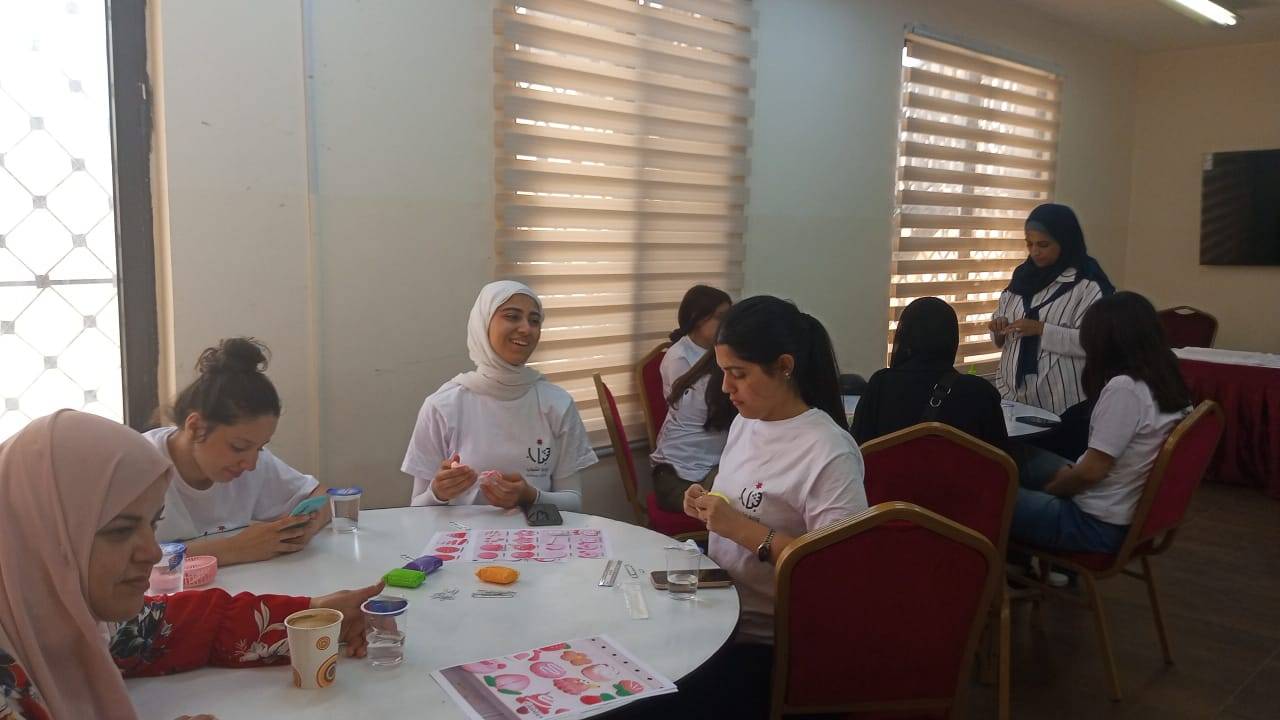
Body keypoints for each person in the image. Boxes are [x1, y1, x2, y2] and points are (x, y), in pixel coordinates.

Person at [0, 410, 383, 720]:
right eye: (120, 531)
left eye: (153, 524)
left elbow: (186, 625)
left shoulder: (67, 618)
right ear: (39, 535)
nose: (151, 553)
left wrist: (314, 614)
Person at [681, 296, 866, 719]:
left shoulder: (829, 452)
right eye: (723, 372)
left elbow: (836, 574)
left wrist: (738, 529)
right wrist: (709, 502)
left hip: (772, 644)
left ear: (784, 366)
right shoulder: (747, 422)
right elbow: (750, 500)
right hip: (718, 615)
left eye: (738, 374)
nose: (726, 388)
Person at [1010, 292, 1191, 554]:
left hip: (1091, 524)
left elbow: (1091, 473)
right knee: (1013, 455)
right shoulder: (1168, 381)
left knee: (984, 491)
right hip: (1120, 505)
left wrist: (1055, 489)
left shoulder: (1126, 389)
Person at [404, 281, 597, 511]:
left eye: (534, 321)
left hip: (537, 533)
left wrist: (531, 496)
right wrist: (438, 493)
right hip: (462, 534)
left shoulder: (557, 404)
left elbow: (573, 502)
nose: (526, 329)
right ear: (483, 323)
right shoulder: (443, 406)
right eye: (512, 316)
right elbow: (417, 508)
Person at [144, 338, 329, 567]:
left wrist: (304, 528)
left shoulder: (252, 463)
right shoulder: (139, 467)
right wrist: (233, 549)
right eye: (238, 447)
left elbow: (320, 495)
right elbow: (119, 560)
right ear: (196, 427)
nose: (250, 464)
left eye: (259, 448)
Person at [988, 203, 1115, 458]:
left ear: (1065, 241)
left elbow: (1096, 342)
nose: (1035, 252)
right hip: (1014, 399)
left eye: (1043, 245)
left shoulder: (1087, 285)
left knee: (1055, 470)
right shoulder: (1021, 278)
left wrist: (1042, 330)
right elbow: (1001, 330)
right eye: (1029, 244)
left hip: (1065, 402)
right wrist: (998, 327)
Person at [852, 296, 1008, 449]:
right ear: (952, 339)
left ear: (905, 337)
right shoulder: (980, 393)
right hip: (958, 468)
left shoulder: (881, 385)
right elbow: (1000, 459)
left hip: (891, 468)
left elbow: (859, 451)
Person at [649, 285, 734, 513]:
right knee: (739, 500)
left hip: (713, 459)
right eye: (721, 317)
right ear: (698, 319)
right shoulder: (680, 358)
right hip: (683, 470)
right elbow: (710, 413)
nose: (727, 324)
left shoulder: (719, 353)